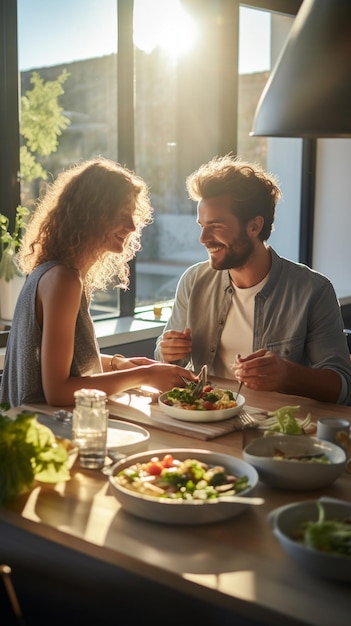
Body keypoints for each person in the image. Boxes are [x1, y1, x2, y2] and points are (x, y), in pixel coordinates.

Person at [155, 154, 351, 404]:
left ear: (255, 226)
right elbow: (167, 362)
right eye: (201, 225)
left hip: (276, 430)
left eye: (215, 225)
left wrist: (288, 375)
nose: (203, 238)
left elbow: (343, 386)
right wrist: (168, 352)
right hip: (208, 419)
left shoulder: (313, 290)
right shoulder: (193, 281)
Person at [0, 157, 196, 407]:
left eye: (133, 214)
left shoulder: (53, 273)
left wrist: (117, 363)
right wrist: (144, 375)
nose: (132, 225)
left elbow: (60, 361)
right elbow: (58, 392)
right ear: (92, 214)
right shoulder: (64, 281)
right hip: (48, 436)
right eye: (122, 214)